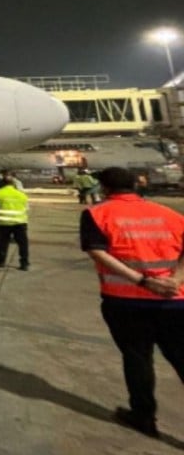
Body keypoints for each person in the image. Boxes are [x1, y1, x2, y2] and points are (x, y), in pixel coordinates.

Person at [79, 166, 184, 438]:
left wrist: (142, 281)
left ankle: (144, 416)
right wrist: (176, 279)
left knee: (137, 359)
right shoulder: (167, 213)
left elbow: (97, 252)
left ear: (104, 188)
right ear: (136, 185)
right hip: (173, 301)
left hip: (125, 302)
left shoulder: (97, 214)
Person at [0, 178, 29, 270]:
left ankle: (1, 261)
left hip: (4, 222)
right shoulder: (22, 194)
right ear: (13, 184)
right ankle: (24, 263)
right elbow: (27, 208)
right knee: (23, 244)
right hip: (20, 222)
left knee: (3, 243)